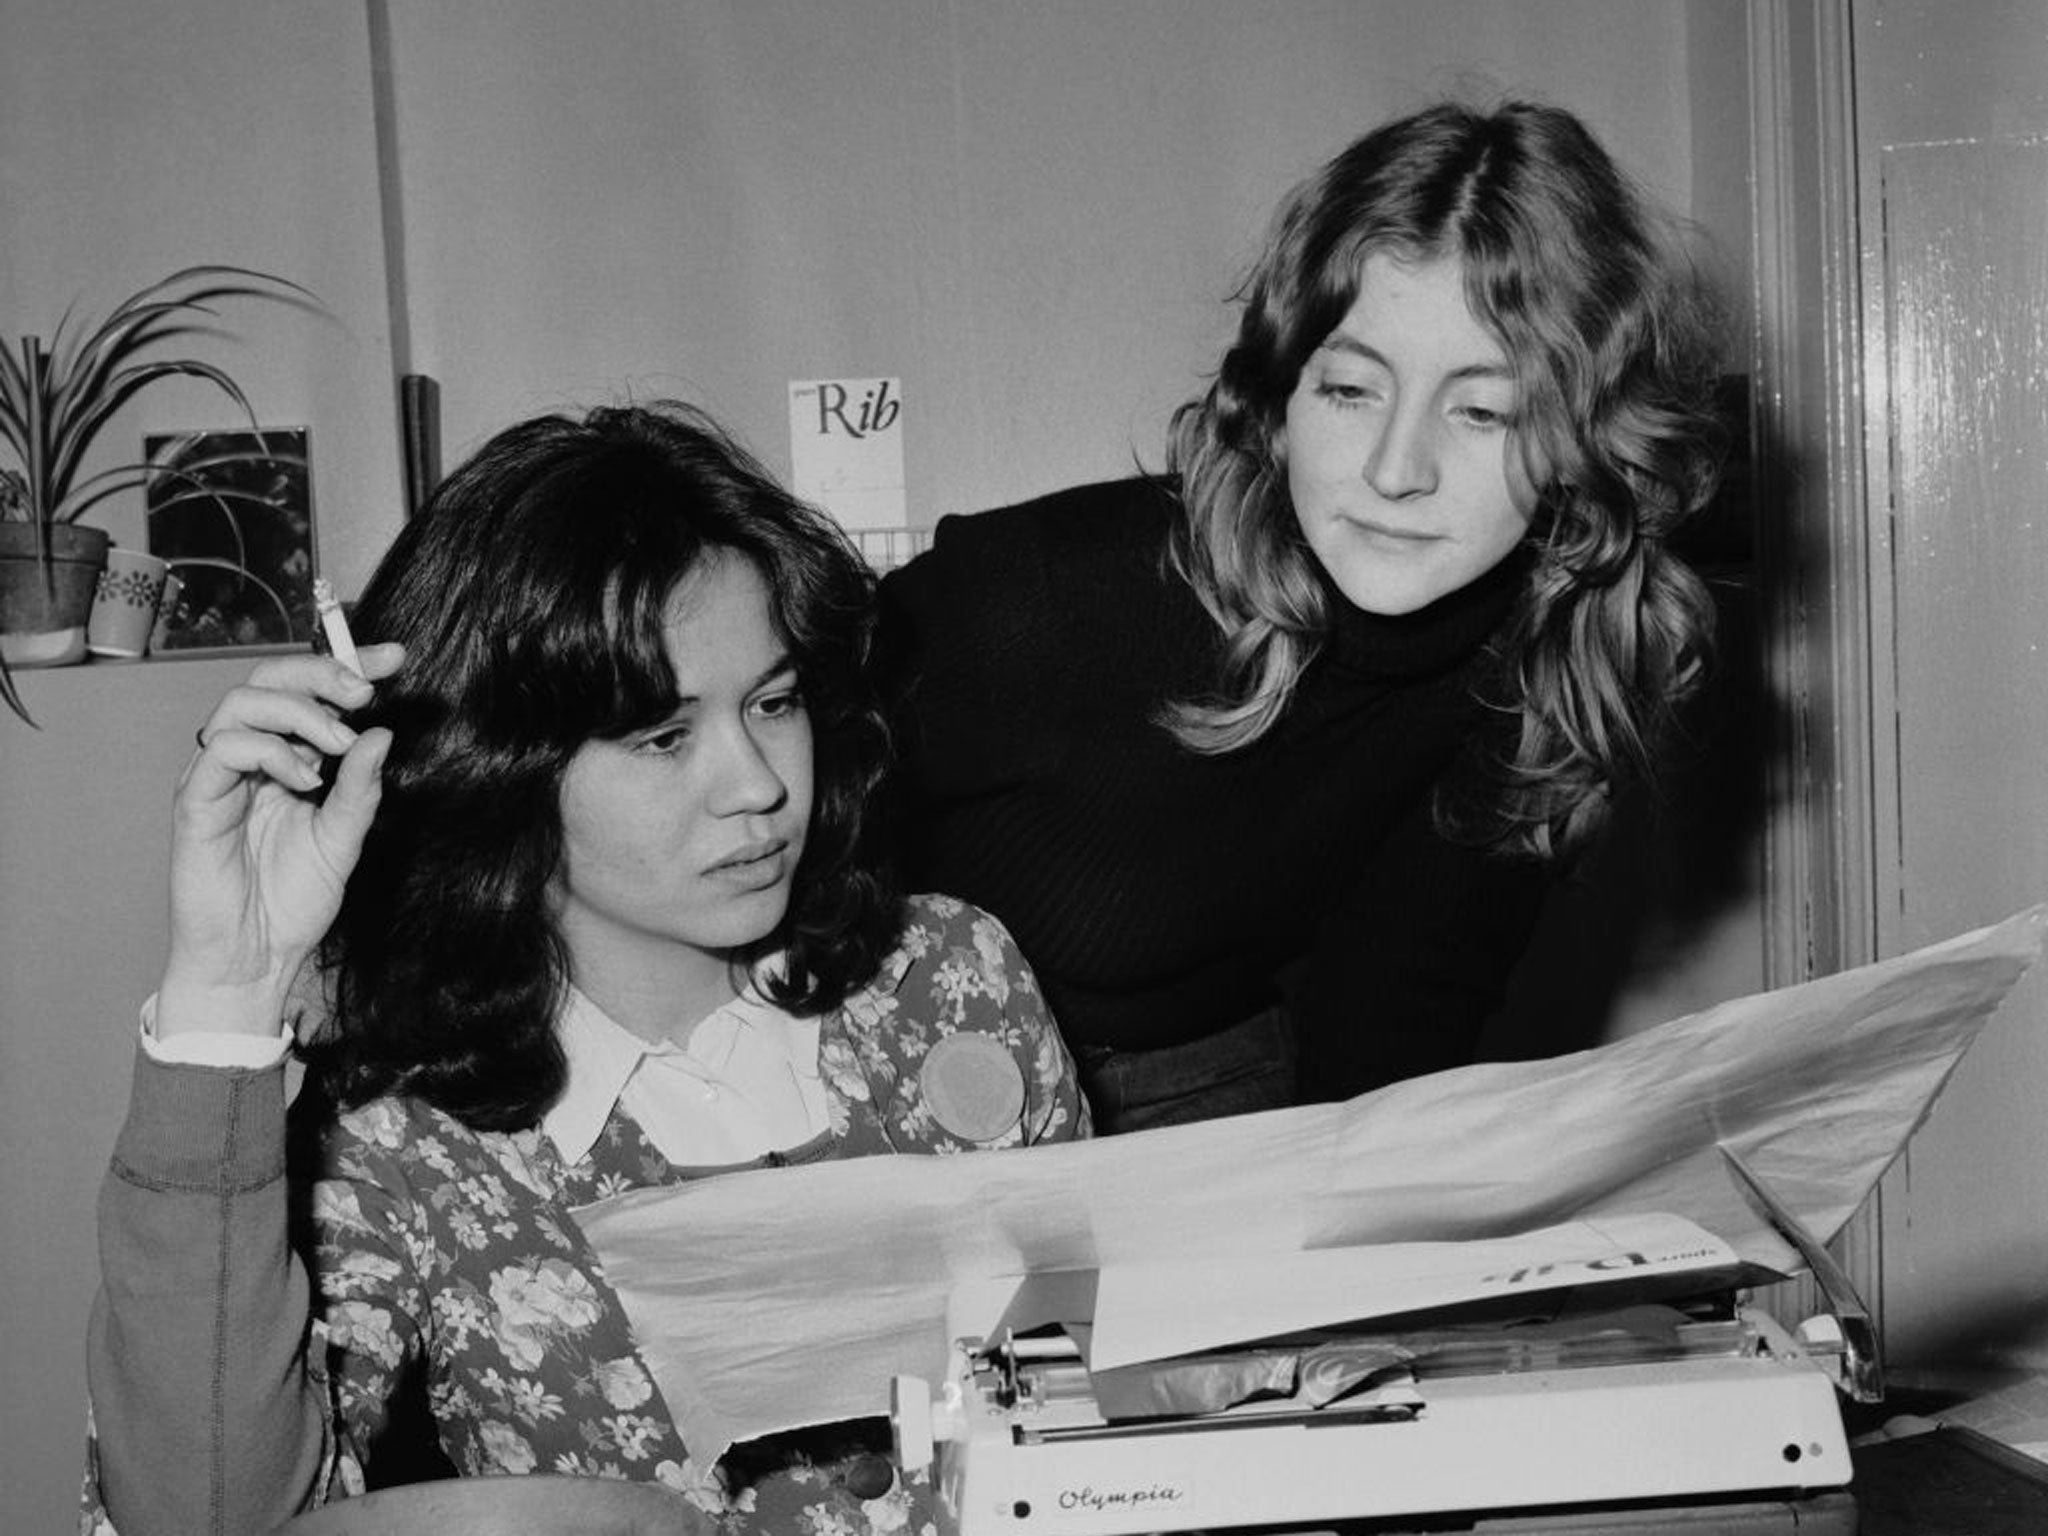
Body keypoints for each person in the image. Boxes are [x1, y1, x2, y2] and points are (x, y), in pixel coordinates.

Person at [82, 402, 1088, 1536]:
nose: (756, 783)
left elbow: (1091, 1406)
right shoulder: (400, 1136)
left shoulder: (950, 979)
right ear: (504, 768)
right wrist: (228, 988)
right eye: (663, 736)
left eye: (773, 703)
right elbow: (206, 1518)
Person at [877, 98, 1727, 1132]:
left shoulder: (1528, 662)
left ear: (1579, 445)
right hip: (880, 1068)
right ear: (1277, 402)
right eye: (1350, 392)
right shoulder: (1037, 597)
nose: (1394, 471)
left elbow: (1393, 1027)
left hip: (1210, 1089)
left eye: (1480, 410)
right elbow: (734, 854)